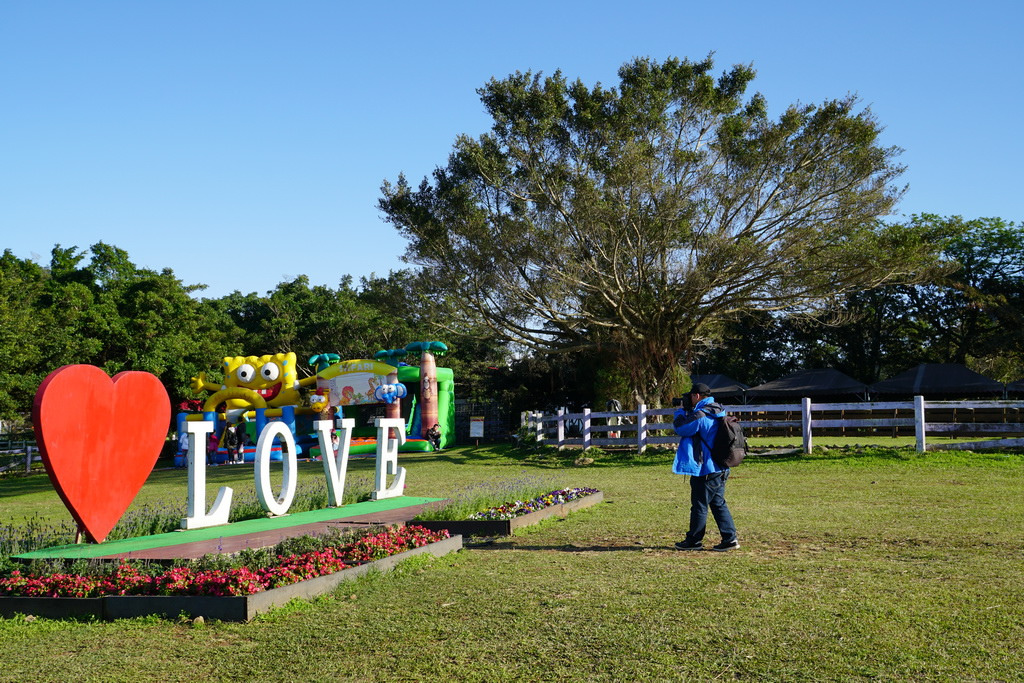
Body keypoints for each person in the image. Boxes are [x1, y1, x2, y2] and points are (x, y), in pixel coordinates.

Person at [671, 383, 739, 551]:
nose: (689, 399)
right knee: (718, 503)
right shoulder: (717, 411)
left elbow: (682, 428)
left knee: (699, 505)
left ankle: (694, 540)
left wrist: (680, 412)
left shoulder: (701, 414)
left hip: (706, 468)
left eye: (691, 396)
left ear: (697, 396)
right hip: (721, 466)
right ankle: (730, 539)